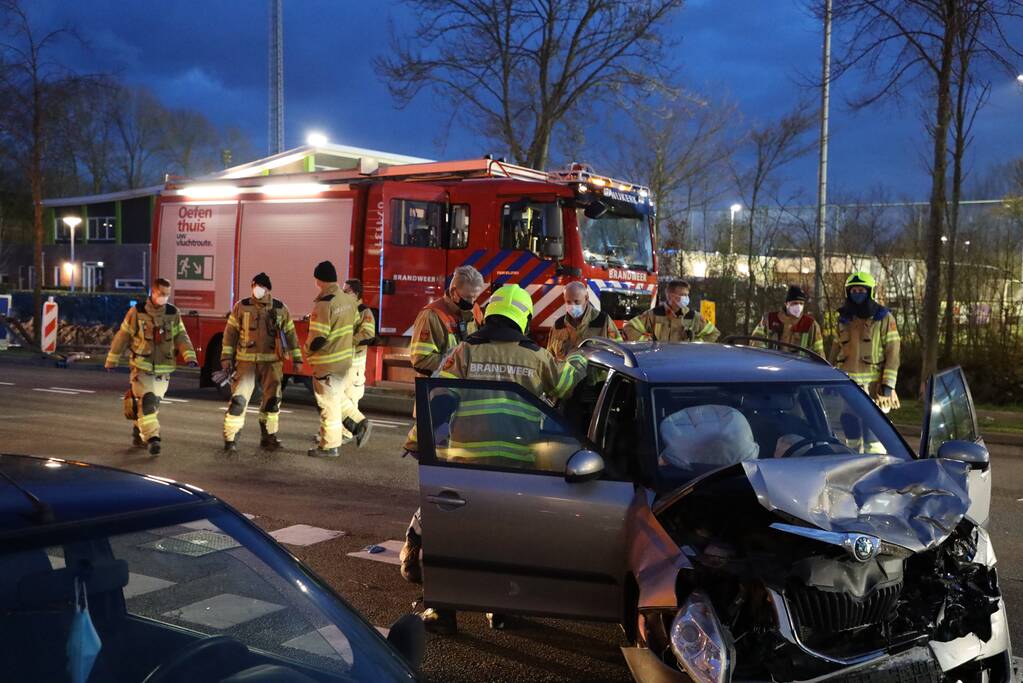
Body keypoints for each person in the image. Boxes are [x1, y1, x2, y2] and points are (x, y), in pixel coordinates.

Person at [412, 284, 588, 635]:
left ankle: (441, 610)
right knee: (507, 539)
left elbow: (437, 399)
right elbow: (565, 384)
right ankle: (501, 608)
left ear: (490, 315)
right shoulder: (535, 357)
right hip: (515, 465)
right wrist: (580, 357)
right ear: (521, 318)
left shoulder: (465, 352)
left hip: (465, 463)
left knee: (454, 538)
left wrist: (417, 440)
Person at [399, 264, 485, 582]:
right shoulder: (431, 316)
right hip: (436, 408)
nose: (471, 303)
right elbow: (420, 358)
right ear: (452, 292)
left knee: (454, 487)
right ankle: (418, 547)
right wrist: (456, 364)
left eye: (476, 298)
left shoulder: (474, 313)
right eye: (466, 298)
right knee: (441, 488)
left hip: (462, 410)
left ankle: (428, 546)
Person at [105, 277, 197, 455]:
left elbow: (181, 337)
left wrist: (189, 356)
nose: (164, 297)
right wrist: (112, 359)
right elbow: (123, 336)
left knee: (151, 406)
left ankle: (138, 431)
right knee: (147, 402)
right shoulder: (137, 312)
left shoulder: (173, 312)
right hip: (142, 367)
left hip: (164, 370)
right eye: (161, 294)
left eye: (167, 295)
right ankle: (153, 439)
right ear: (153, 292)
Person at [220, 272, 303, 452]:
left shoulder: (280, 309)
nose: (256, 290)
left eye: (260, 286)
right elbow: (230, 334)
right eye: (254, 286)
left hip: (272, 363)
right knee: (238, 401)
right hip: (245, 363)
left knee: (272, 402)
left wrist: (297, 358)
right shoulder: (241, 307)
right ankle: (230, 439)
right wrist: (226, 358)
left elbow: (291, 335)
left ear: (268, 289)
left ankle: (269, 438)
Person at [306, 261, 366, 458]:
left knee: (328, 405)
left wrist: (307, 350)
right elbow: (353, 327)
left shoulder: (325, 303)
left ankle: (329, 446)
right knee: (338, 397)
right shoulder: (348, 301)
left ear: (319, 280)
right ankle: (359, 422)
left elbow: (319, 337)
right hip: (344, 361)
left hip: (328, 363)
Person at [830, 271, 901, 411]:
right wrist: (829, 379)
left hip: (875, 388)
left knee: (874, 430)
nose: (857, 294)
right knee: (850, 425)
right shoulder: (843, 319)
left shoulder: (883, 318)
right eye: (854, 290)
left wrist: (888, 384)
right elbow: (834, 351)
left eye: (861, 290)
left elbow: (893, 352)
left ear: (870, 292)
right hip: (847, 386)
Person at [338, 279, 376, 446]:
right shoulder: (344, 309)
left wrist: (347, 341)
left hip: (354, 365)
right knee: (338, 398)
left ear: (355, 293)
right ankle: (337, 432)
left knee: (350, 399)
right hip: (341, 362)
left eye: (346, 291)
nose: (343, 293)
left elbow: (368, 334)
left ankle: (346, 434)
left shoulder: (364, 311)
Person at [546, 280, 621, 360]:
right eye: (568, 302)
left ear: (586, 298)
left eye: (576, 301)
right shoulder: (558, 326)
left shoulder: (602, 321)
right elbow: (549, 358)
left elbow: (619, 352)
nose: (572, 306)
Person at [624, 280, 719, 342]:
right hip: (660, 362)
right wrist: (647, 343)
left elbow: (713, 333)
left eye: (687, 295)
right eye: (682, 295)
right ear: (670, 295)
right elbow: (629, 327)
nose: (686, 298)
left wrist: (695, 344)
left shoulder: (693, 316)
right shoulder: (654, 314)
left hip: (684, 365)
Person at [751, 285, 825, 356]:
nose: (798, 306)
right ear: (786, 304)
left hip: (799, 366)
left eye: (801, 303)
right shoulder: (769, 319)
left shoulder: (810, 324)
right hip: (772, 364)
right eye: (795, 303)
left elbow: (819, 352)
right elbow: (756, 341)